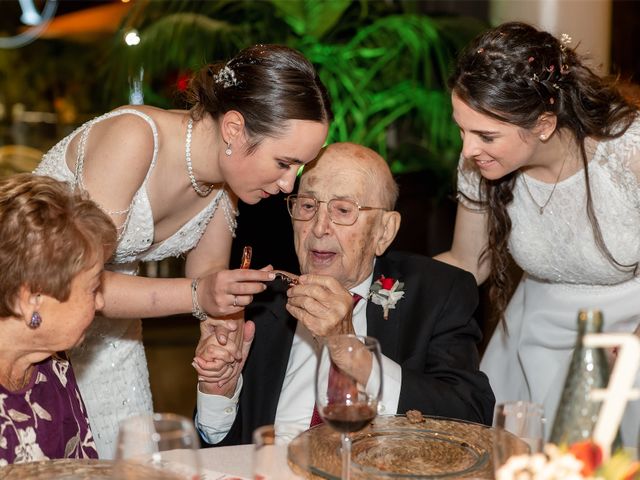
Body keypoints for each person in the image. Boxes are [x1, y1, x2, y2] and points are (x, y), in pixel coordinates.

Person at [34, 44, 332, 457]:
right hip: (30, 323)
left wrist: (224, 326)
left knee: (128, 463)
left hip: (112, 341)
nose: (288, 185)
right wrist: (199, 295)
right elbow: (77, 285)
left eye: (297, 169)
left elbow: (207, 275)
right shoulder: (135, 139)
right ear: (233, 128)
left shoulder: (226, 190)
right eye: (284, 163)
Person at [192, 142, 495, 445]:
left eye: (343, 210)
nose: (319, 228)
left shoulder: (436, 293)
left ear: (384, 231)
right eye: (308, 206)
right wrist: (220, 393)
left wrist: (351, 351)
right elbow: (217, 449)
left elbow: (470, 417)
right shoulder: (258, 300)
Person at [434, 22, 640, 444]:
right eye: (462, 128)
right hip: (534, 340)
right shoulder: (481, 163)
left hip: (628, 342)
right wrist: (384, 284)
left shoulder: (629, 153)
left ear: (544, 124)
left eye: (486, 135)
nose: (468, 149)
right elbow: (466, 262)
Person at [0, 174, 117, 464]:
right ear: (31, 301)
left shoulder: (52, 367)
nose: (100, 301)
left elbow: (82, 470)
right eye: (92, 288)